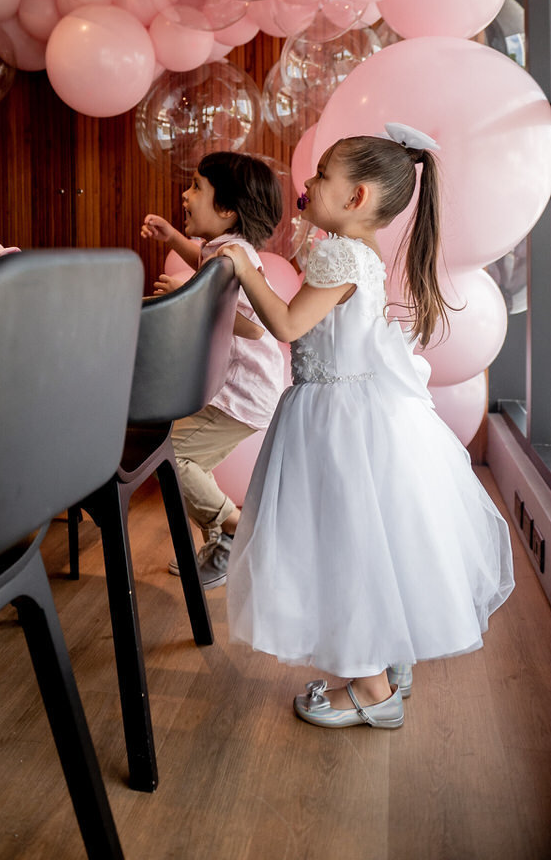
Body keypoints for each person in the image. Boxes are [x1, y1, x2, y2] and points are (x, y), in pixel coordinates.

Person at [217, 124, 514, 729]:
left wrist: (246, 266)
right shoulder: (362, 252)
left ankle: (372, 688)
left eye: (321, 175)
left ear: (355, 197)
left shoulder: (339, 254)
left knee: (342, 542)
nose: (307, 182)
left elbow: (289, 326)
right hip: (360, 411)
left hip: (333, 418)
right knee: (373, 538)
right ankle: (389, 659)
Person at [141, 151, 286, 589]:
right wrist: (173, 238)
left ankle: (234, 529)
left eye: (196, 187)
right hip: (232, 391)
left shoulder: (237, 255)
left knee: (173, 456)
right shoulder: (221, 248)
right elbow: (206, 266)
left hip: (242, 392)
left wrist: (190, 295)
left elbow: (256, 327)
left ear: (226, 210)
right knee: (188, 462)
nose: (185, 195)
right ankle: (223, 549)